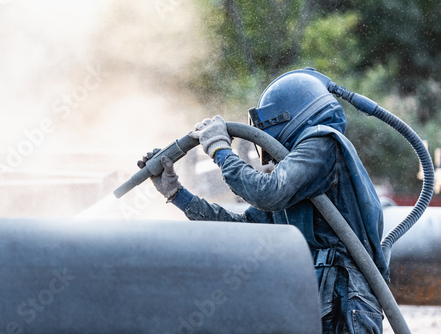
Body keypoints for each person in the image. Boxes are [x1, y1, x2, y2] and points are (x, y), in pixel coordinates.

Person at [138, 68, 389, 333]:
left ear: (286, 117)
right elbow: (243, 231)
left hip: (344, 301)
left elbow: (267, 193)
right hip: (314, 296)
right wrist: (176, 193)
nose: (264, 140)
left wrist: (220, 151)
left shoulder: (323, 143)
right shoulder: (294, 181)